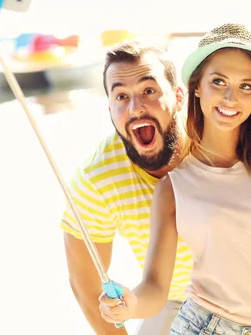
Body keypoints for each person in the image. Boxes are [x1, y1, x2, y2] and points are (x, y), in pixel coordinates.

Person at [99, 23, 251, 335]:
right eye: (218, 82)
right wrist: (130, 304)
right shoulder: (173, 187)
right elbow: (155, 287)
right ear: (196, 87)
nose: (231, 97)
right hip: (207, 327)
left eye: (246, 86)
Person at [61, 42, 194, 335]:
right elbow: (85, 282)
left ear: (179, 97)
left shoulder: (216, 136)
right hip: (171, 301)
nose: (135, 108)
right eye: (121, 96)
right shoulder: (97, 179)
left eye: (149, 91)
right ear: (110, 109)